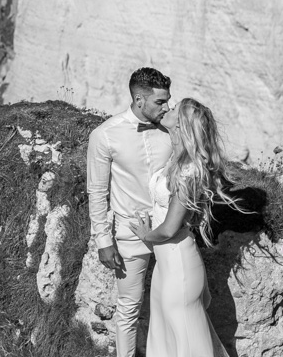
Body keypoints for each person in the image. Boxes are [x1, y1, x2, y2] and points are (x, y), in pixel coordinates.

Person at [127, 97, 242, 357]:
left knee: (189, 346)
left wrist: (147, 235)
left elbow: (169, 228)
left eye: (175, 108)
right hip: (165, 267)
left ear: (181, 125)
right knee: (165, 342)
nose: (168, 107)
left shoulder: (188, 170)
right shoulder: (177, 159)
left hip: (178, 266)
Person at [86, 67, 174, 357]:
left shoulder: (170, 132)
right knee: (129, 310)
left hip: (169, 232)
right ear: (139, 99)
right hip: (129, 236)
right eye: (160, 102)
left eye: (168, 100)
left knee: (173, 305)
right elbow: (97, 192)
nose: (167, 107)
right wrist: (103, 241)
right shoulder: (105, 135)